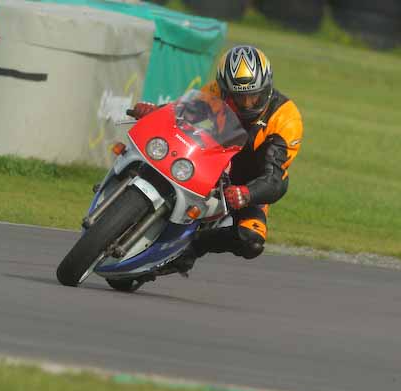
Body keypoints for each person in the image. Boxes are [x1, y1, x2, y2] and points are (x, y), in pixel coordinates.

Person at [129, 45, 303, 272]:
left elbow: (275, 179)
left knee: (252, 240)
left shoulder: (287, 118)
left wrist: (247, 193)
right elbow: (182, 112)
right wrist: (155, 111)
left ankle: (192, 248)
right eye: (239, 97)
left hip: (249, 183)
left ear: (267, 87)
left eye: (254, 96)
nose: (247, 103)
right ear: (224, 90)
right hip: (210, 161)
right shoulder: (214, 92)